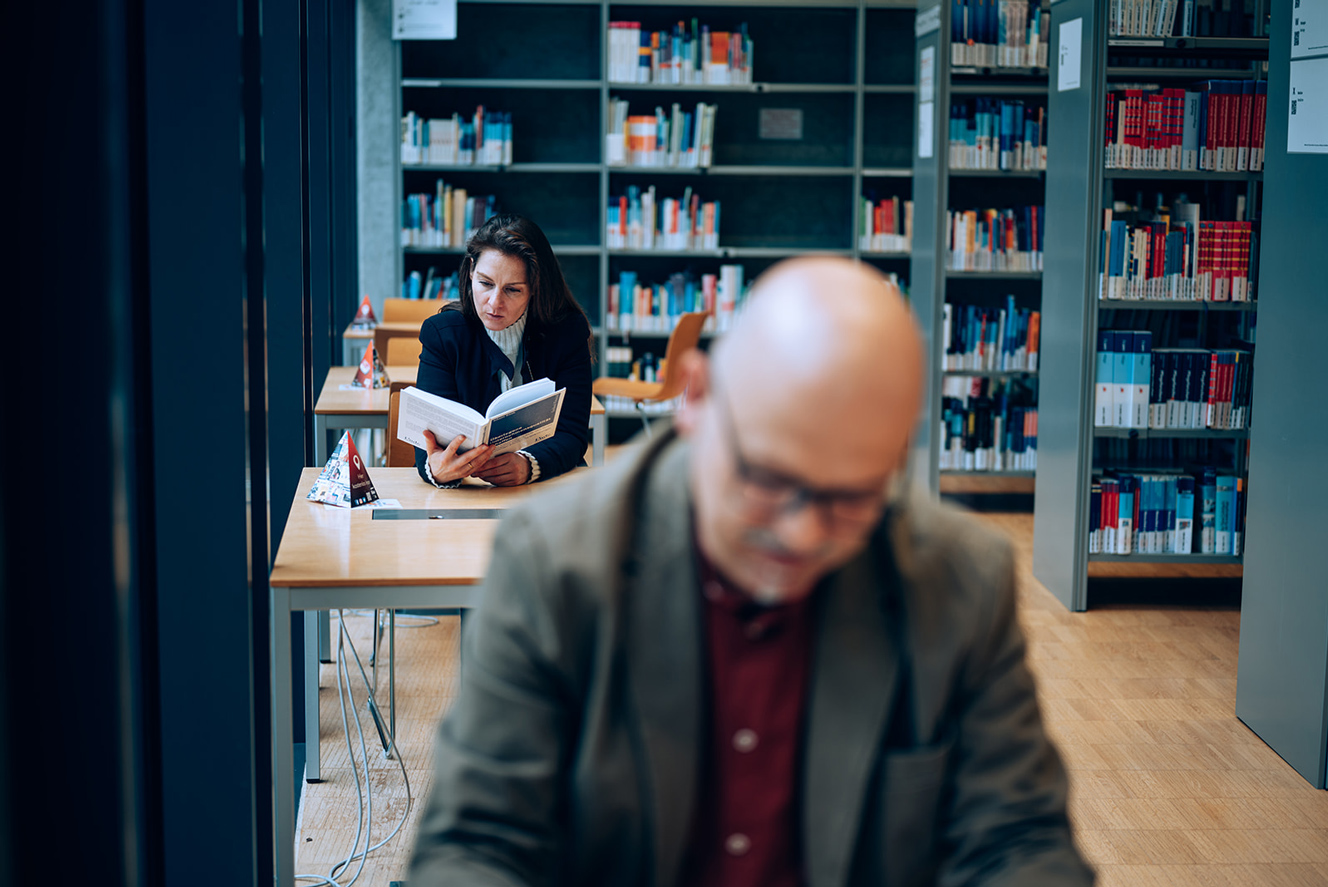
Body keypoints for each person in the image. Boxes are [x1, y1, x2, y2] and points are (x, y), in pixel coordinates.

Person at [409, 257, 1095, 886]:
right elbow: (475, 843)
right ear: (698, 399)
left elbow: (1018, 841)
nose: (801, 532)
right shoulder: (553, 562)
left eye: (851, 496)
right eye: (767, 477)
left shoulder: (960, 580)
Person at [414, 213, 594, 487]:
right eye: (485, 283)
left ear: (535, 287)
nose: (494, 303)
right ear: (471, 270)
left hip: (545, 488)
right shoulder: (442, 335)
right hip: (469, 492)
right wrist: (436, 470)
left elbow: (572, 433)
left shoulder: (567, 332)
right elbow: (427, 438)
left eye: (512, 290)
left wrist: (530, 465)